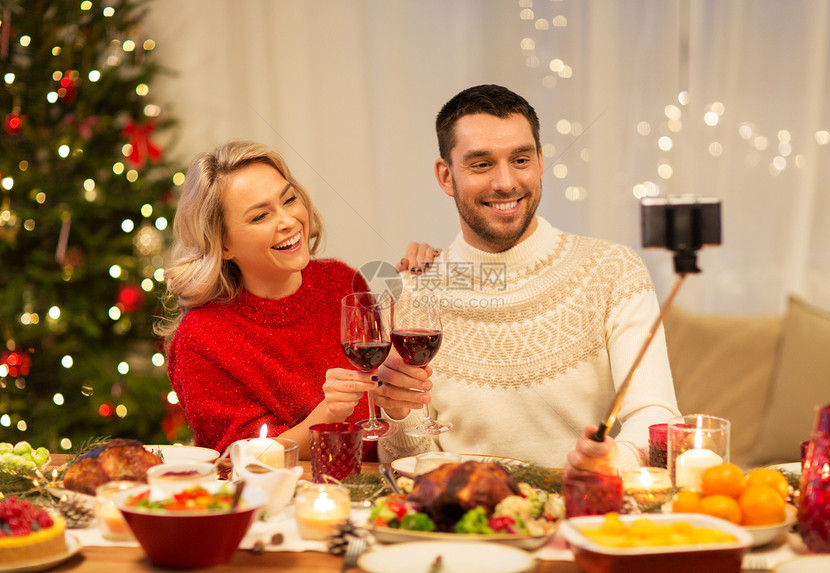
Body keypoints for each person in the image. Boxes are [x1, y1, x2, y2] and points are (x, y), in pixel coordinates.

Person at [375, 84, 680, 474]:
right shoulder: (412, 292)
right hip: (463, 521)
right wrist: (399, 413)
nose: (506, 182)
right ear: (446, 176)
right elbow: (410, 461)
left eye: (520, 160)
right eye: (481, 164)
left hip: (585, 511)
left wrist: (615, 459)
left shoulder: (613, 270)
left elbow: (657, 413)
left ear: (540, 161)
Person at [156, 140, 383, 458]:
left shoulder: (342, 282)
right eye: (260, 216)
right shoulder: (201, 339)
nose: (288, 221)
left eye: (289, 200)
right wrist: (330, 413)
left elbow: (382, 414)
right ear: (223, 245)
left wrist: (395, 395)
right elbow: (245, 459)